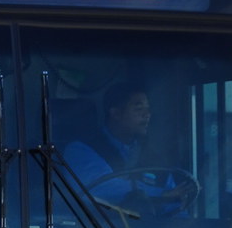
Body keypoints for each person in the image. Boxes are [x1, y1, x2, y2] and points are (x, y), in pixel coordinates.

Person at [64, 82, 195, 215]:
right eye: (139, 109)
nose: (147, 114)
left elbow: (174, 201)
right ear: (115, 114)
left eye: (148, 108)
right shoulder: (81, 150)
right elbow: (99, 187)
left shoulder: (152, 156)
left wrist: (178, 205)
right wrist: (161, 194)